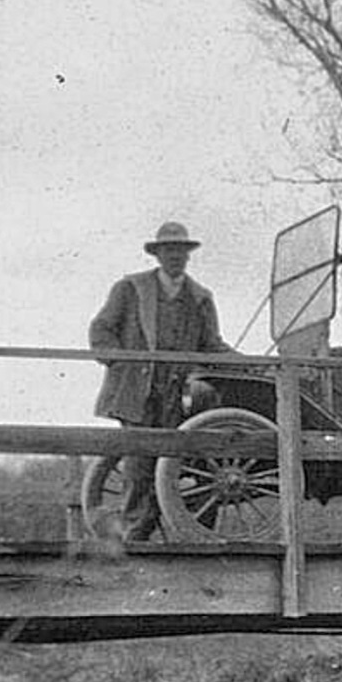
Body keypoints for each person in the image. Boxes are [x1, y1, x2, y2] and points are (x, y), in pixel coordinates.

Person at [90, 221, 232, 540]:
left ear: (188, 255)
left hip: (179, 393)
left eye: (180, 251)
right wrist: (121, 362)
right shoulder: (130, 289)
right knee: (139, 465)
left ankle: (187, 535)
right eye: (169, 250)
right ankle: (133, 536)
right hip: (137, 392)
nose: (175, 256)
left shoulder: (200, 297)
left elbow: (212, 344)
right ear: (157, 254)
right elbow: (101, 330)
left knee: (178, 465)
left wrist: (246, 363)